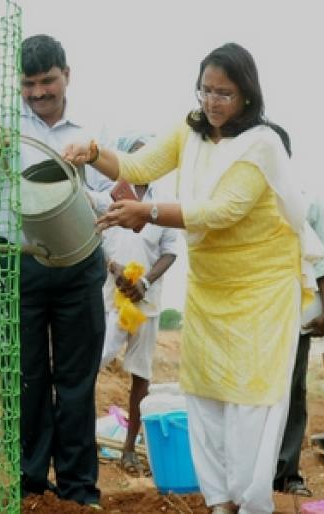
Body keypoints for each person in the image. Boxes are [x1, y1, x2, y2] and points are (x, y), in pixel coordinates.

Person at [65, 42, 322, 514]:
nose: (212, 102)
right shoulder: (191, 131)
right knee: (205, 391)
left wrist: (149, 211)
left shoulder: (261, 143)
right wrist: (94, 153)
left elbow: (223, 212)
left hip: (261, 290)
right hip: (210, 287)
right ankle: (220, 499)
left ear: (247, 95)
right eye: (205, 90)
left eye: (224, 93)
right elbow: (139, 167)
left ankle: (251, 502)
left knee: (250, 397)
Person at [13, 34, 112, 508]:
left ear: (66, 75)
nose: (38, 93)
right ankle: (30, 482)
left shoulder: (93, 129)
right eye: (29, 84)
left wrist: (86, 183)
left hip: (80, 265)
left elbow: (119, 192)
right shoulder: (3, 129)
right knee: (27, 377)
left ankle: (77, 488)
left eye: (47, 81)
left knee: (75, 381)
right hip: (22, 265)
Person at [98, 135, 183, 476]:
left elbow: (171, 250)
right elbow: (97, 237)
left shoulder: (163, 203)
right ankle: (73, 439)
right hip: (110, 298)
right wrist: (114, 269)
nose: (141, 164)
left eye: (147, 158)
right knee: (93, 363)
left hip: (145, 301)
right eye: (134, 158)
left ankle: (130, 449)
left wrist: (145, 282)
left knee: (141, 375)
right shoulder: (111, 195)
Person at [273, 195, 324, 497]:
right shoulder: (238, 195)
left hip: (295, 306)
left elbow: (322, 256)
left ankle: (286, 473)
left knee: (293, 391)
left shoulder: (305, 199)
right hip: (249, 312)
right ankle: (250, 472)